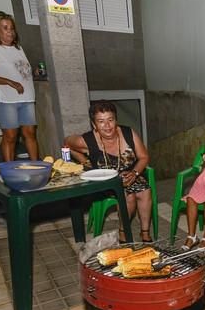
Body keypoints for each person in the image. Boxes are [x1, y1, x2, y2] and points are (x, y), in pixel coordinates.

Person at [64, 101, 154, 243]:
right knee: (128, 196)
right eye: (101, 121)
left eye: (110, 120)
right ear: (94, 125)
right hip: (105, 181)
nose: (107, 126)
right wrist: (84, 163)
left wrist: (135, 173)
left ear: (116, 120)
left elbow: (144, 157)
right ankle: (123, 232)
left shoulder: (128, 133)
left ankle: (145, 233)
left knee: (145, 191)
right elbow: (66, 144)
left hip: (129, 175)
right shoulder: (86, 140)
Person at [0, 11, 39, 162]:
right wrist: (10, 82)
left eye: (11, 28)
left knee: (30, 133)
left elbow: (20, 71)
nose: (10, 32)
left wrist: (34, 72)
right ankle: (9, 168)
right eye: (5, 28)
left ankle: (37, 165)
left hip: (27, 98)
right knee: (10, 136)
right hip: (6, 100)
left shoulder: (18, 49)